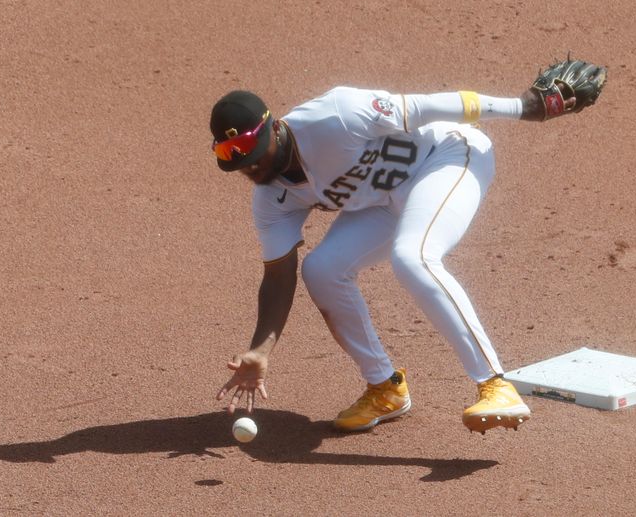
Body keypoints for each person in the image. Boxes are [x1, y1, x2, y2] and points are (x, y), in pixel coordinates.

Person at [211, 82, 572, 434]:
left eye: (256, 154)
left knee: (413, 257)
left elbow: (427, 106)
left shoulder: (335, 115)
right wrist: (261, 350)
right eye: (239, 162)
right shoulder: (271, 199)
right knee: (321, 270)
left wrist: (523, 108)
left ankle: (495, 383)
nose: (252, 168)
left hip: (446, 158)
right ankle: (385, 388)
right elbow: (278, 275)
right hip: (385, 200)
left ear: (276, 128)